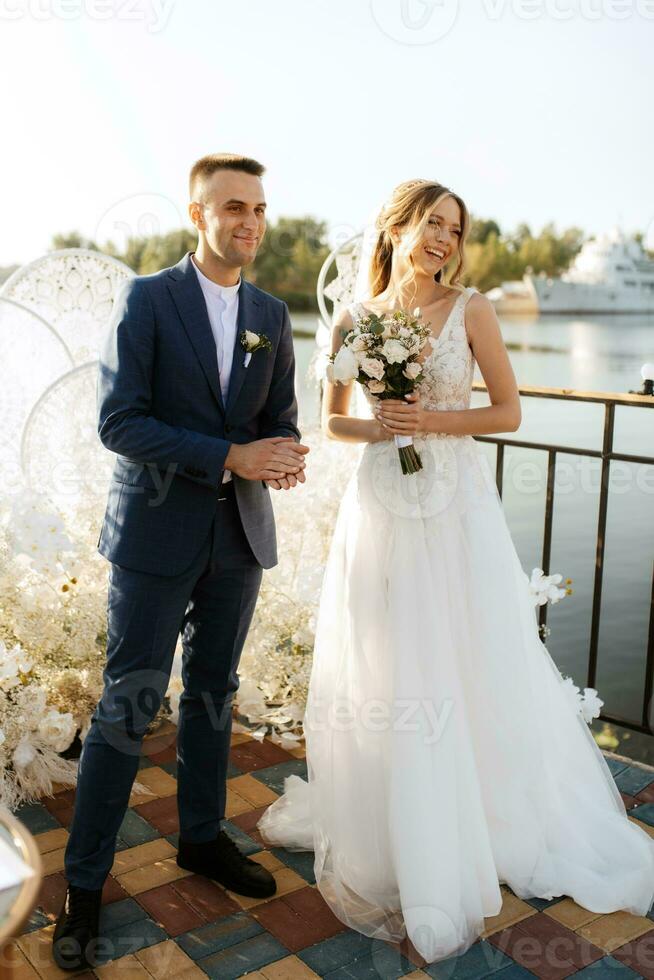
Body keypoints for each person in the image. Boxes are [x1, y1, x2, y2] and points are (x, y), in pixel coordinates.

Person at [257, 178, 654, 964]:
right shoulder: (354, 318)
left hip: (457, 512)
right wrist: (380, 428)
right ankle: (398, 825)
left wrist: (428, 421)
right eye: (431, 223)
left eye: (455, 228)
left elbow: (507, 411)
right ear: (396, 227)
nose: (443, 238)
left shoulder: (472, 309)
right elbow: (333, 420)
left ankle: (480, 816)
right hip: (379, 510)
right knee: (389, 665)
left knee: (469, 657)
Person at [53, 153, 310, 971]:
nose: (251, 223)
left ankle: (201, 838)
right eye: (234, 206)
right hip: (155, 538)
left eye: (260, 209)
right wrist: (232, 455)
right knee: (126, 706)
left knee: (213, 695)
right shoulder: (147, 299)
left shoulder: (272, 311)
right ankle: (84, 886)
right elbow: (119, 423)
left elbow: (281, 418)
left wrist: (281, 454)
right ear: (197, 215)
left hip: (239, 541)